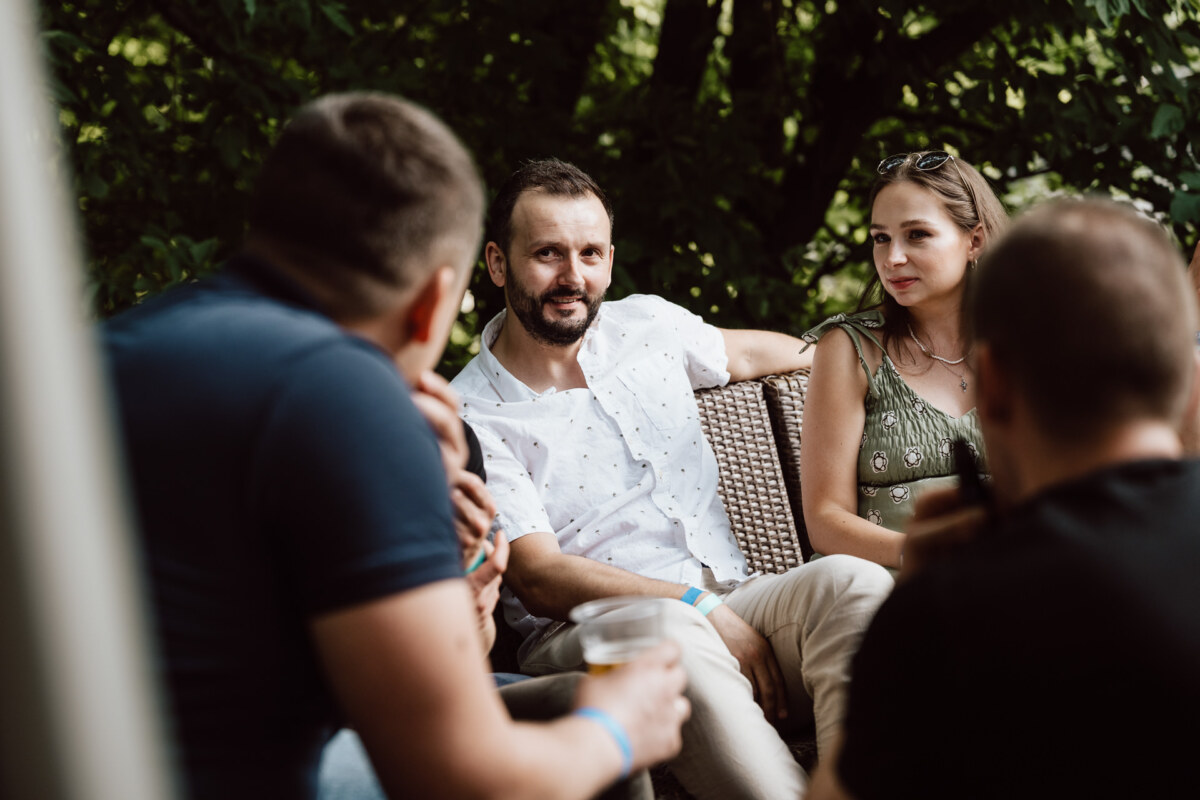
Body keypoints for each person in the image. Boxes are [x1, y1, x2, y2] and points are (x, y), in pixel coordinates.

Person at [103, 93, 690, 800]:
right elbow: (460, 775)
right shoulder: (347, 395)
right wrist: (618, 725)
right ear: (433, 296)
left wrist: (454, 566)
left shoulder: (116, 350)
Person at [450, 158, 894, 799]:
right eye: (547, 253)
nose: (572, 277)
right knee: (672, 634)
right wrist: (693, 605)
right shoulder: (473, 414)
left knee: (851, 583)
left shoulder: (647, 326)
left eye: (590, 253)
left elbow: (747, 354)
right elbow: (541, 577)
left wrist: (886, 367)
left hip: (735, 602)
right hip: (589, 634)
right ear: (497, 263)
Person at [808, 198, 1200, 799]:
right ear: (1181, 370)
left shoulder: (947, 613)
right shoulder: (853, 347)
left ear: (991, 385)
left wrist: (916, 614)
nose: (894, 256)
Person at [800, 150, 1007, 568]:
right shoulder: (850, 350)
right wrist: (926, 553)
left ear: (975, 240)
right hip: (892, 585)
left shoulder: (1022, 347)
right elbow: (825, 519)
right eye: (881, 238)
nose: (892, 258)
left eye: (916, 235)